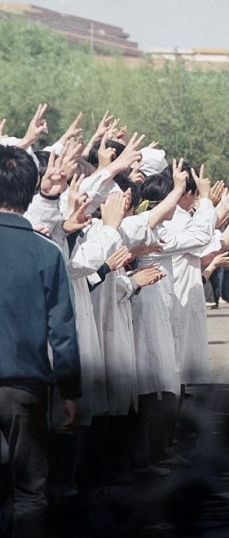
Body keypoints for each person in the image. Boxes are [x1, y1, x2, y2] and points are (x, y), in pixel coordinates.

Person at [0, 145, 81, 536]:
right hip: (25, 387)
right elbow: (62, 330)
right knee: (30, 491)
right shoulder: (46, 253)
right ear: (32, 192)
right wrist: (70, 391)